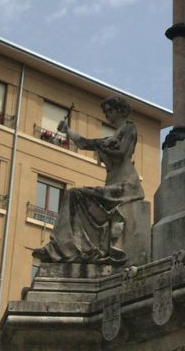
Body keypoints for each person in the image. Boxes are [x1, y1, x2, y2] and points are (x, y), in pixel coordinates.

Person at [33, 96, 144, 264]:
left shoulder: (129, 128)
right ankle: (63, 247)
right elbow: (84, 143)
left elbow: (122, 153)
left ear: (120, 110)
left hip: (125, 186)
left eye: (109, 111)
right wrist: (67, 130)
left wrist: (101, 145)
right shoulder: (111, 137)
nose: (107, 115)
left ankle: (70, 248)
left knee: (75, 194)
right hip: (113, 185)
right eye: (105, 112)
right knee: (73, 195)